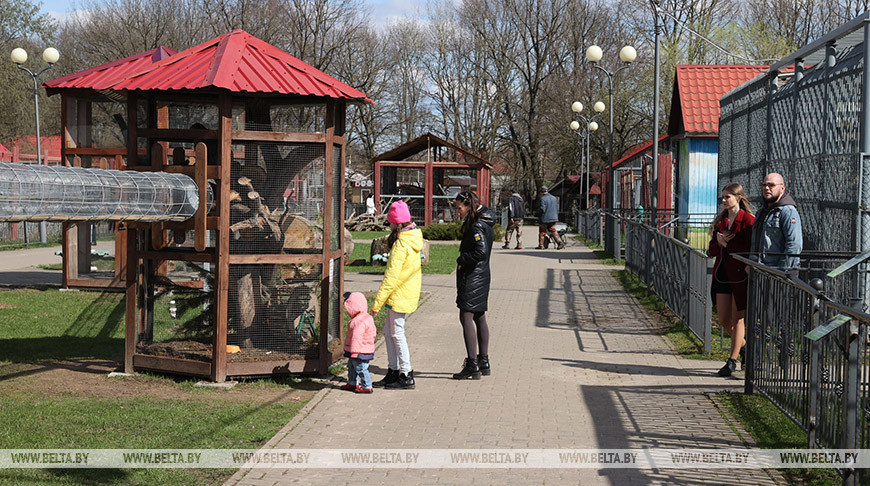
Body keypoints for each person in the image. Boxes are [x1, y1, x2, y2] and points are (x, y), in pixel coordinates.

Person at [371, 200, 423, 390]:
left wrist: (376, 304)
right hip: (404, 292)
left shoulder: (402, 244)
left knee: (397, 333)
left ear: (396, 222)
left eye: (391, 221)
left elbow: (391, 277)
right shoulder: (413, 237)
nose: (389, 224)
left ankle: (406, 374)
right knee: (388, 332)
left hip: (399, 293)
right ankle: (393, 371)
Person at [707, 183, 755, 377]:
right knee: (724, 321)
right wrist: (718, 242)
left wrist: (748, 263)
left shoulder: (748, 220)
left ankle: (732, 361)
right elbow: (711, 250)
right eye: (723, 197)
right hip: (722, 274)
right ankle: (746, 347)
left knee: (739, 318)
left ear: (739, 197)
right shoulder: (721, 220)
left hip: (739, 274)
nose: (724, 201)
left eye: (728, 197)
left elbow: (751, 247)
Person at [452, 191, 496, 380]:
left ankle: (472, 364)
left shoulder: (477, 224)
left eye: (459, 207)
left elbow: (481, 251)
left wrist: (462, 259)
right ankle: (483, 361)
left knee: (466, 316)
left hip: (473, 276)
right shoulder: (484, 220)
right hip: (482, 274)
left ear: (469, 205)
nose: (457, 211)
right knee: (479, 316)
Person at [750, 173, 803, 273]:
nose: (766, 188)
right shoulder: (761, 211)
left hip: (778, 274)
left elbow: (794, 244)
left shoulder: (788, 211)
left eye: (771, 185)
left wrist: (781, 270)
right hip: (759, 270)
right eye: (764, 185)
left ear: (782, 188)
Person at [341, 292, 376, 393]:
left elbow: (356, 337)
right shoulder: (367, 317)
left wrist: (355, 352)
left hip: (359, 351)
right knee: (352, 366)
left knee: (360, 368)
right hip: (364, 348)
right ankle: (352, 382)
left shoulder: (358, 321)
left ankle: (367, 386)